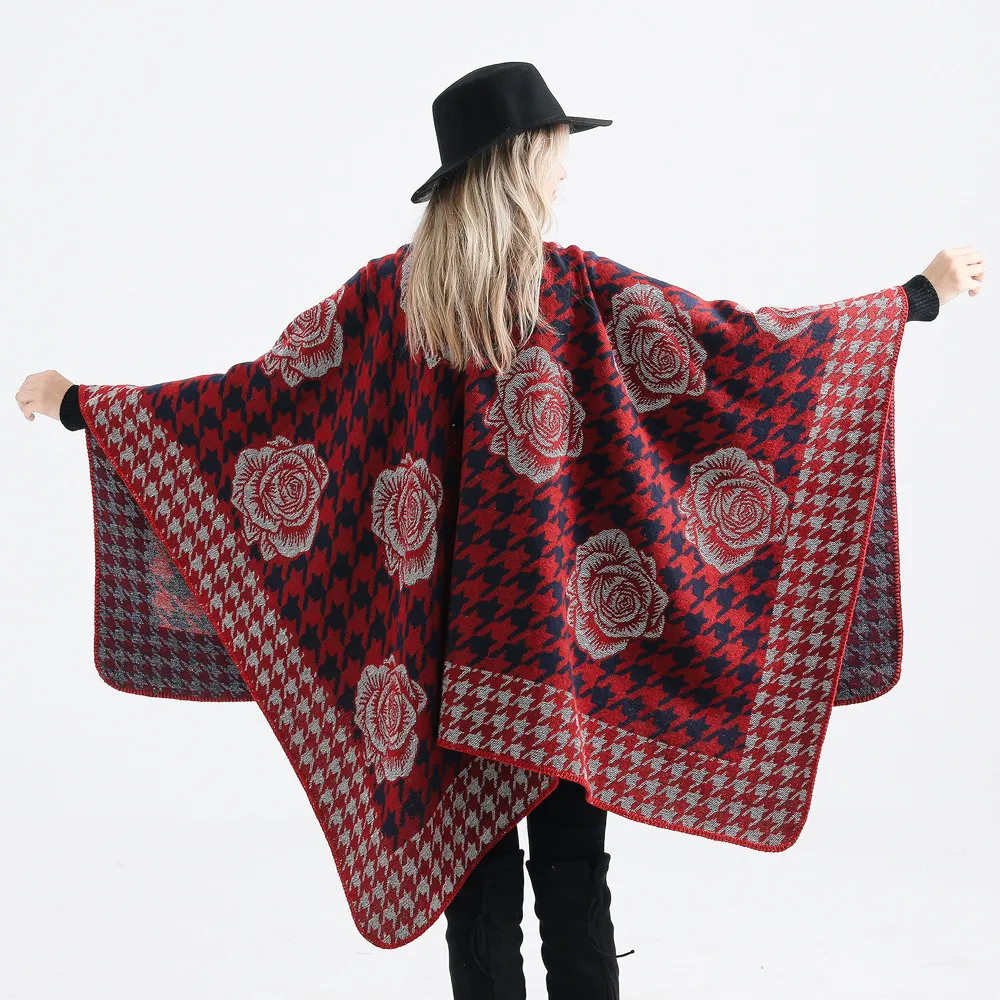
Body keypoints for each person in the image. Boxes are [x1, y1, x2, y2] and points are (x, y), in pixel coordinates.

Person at [13, 62, 986, 1000]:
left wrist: (82, 407)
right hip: (554, 653)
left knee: (473, 890)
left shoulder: (385, 299)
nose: (566, 171)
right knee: (573, 868)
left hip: (431, 652)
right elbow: (739, 349)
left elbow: (251, 405)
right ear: (520, 161)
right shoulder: (578, 290)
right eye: (558, 151)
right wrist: (912, 299)